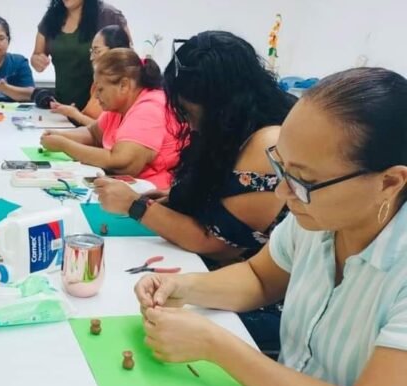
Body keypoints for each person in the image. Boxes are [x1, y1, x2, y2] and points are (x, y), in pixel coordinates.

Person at [135, 67, 407, 386]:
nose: (282, 192)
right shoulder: (317, 219)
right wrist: (183, 286)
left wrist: (217, 346)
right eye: (282, 167)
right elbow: (260, 279)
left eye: (304, 180)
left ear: (390, 182)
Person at [95, 31, 295, 265]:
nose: (188, 123)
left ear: (221, 106)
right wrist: (179, 196)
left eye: (188, 112)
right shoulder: (231, 127)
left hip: (241, 277)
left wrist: (136, 206)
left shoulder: (267, 143)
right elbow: (219, 184)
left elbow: (220, 245)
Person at [39, 49, 181, 189]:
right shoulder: (120, 106)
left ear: (124, 85)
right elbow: (94, 134)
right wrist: (59, 135)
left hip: (151, 194)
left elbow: (123, 164)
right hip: (127, 188)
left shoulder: (149, 109)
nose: (96, 96)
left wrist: (64, 145)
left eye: (101, 90)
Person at [32, 0, 131, 110]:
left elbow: (129, 58)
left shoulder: (108, 15)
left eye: (96, 51)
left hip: (99, 108)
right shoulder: (51, 16)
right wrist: (37, 60)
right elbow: (37, 54)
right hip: (63, 106)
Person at [50, 24, 131, 126]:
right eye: (91, 52)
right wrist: (71, 112)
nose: (91, 58)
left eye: (96, 51)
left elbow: (105, 130)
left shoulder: (122, 87)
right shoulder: (97, 83)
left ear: (115, 50)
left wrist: (76, 115)